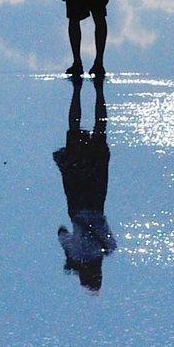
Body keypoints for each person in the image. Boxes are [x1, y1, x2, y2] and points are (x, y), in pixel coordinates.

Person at [54, 77, 115, 290]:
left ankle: (98, 91)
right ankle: (77, 90)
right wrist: (69, 260)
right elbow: (62, 233)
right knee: (74, 129)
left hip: (97, 200)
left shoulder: (109, 247)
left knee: (100, 132)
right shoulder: (76, 254)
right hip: (77, 203)